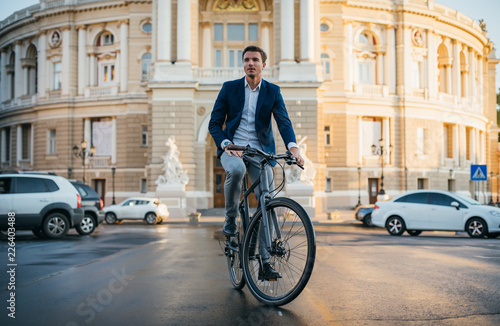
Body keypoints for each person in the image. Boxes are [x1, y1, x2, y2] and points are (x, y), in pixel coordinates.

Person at [209, 45, 304, 280]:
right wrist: (225, 144)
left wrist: (293, 147)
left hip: (260, 152)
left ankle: (264, 263)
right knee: (237, 170)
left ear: (264, 64)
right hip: (233, 149)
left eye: (255, 60)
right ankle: (231, 217)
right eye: (246, 60)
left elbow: (283, 121)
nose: (250, 63)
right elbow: (214, 123)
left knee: (266, 202)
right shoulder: (229, 88)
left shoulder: (272, 91)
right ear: (243, 64)